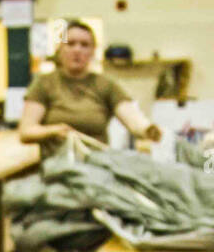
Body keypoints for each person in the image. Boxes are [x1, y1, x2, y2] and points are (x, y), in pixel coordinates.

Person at [18, 20, 161, 160]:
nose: (77, 50)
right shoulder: (44, 83)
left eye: (84, 45)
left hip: (99, 164)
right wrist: (53, 131)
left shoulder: (106, 84)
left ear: (93, 51)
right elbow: (26, 131)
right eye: (71, 43)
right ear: (60, 48)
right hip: (57, 166)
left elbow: (132, 117)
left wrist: (148, 130)